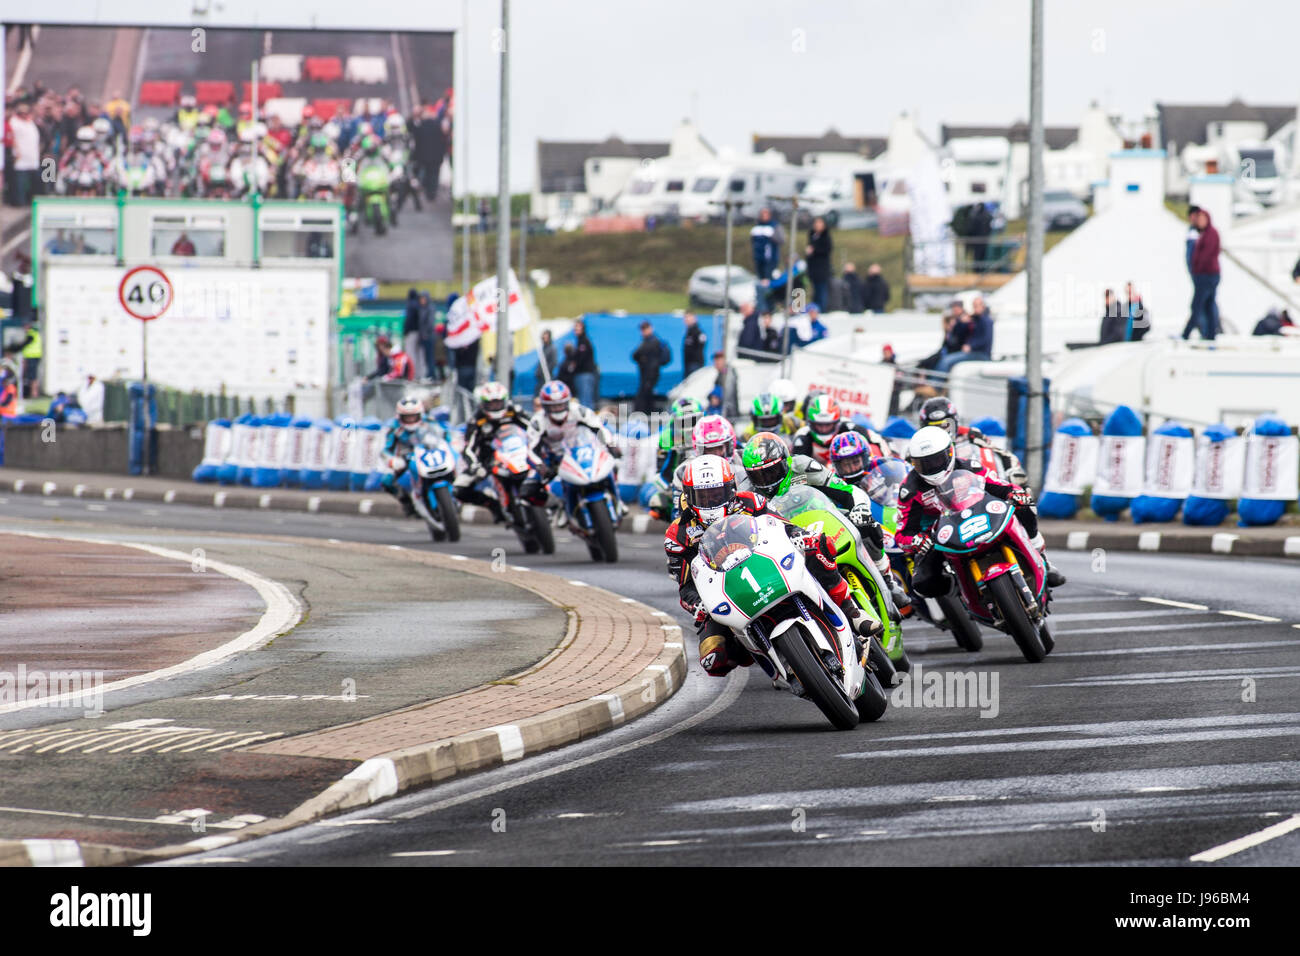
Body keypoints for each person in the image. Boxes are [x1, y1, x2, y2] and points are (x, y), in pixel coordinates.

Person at [664, 454, 874, 677]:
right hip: (726, 591)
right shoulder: (677, 535)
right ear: (688, 496)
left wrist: (802, 536)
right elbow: (686, 586)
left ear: (731, 488)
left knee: (820, 545)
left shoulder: (751, 502)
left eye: (717, 493)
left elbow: (785, 527)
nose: (712, 501)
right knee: (713, 660)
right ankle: (769, 657)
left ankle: (852, 612)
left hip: (770, 564)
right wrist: (698, 605)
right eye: (703, 497)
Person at [744, 431, 909, 611]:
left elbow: (846, 490)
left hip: (825, 520)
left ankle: (888, 580)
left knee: (867, 524)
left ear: (785, 461)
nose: (767, 480)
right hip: (789, 540)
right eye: (759, 476)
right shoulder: (748, 491)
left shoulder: (803, 466)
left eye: (772, 471)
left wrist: (859, 508)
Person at [894, 426, 1065, 600]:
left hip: (977, 513)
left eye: (937, 460)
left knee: (1025, 505)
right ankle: (958, 590)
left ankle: (1041, 557)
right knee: (922, 584)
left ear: (950, 453)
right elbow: (902, 534)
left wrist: (1015, 493)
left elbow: (1000, 486)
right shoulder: (909, 490)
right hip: (938, 535)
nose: (931, 467)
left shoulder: (969, 466)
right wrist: (917, 540)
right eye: (924, 463)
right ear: (914, 464)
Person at [522, 380, 620, 510]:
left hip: (582, 449)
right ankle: (556, 505)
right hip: (553, 459)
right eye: (553, 406)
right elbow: (530, 449)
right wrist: (540, 465)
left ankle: (618, 502)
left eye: (561, 405)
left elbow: (599, 427)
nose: (557, 409)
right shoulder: (537, 422)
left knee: (612, 465)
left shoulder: (579, 410)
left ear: (567, 402)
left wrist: (610, 444)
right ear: (545, 406)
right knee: (528, 491)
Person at [454, 381, 530, 523]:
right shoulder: (476, 420)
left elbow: (534, 428)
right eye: (491, 404)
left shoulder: (514, 411)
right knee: (459, 490)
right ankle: (494, 506)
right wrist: (475, 466)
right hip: (488, 460)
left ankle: (549, 503)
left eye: (498, 403)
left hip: (518, 452)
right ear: (483, 404)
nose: (495, 407)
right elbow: (468, 448)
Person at [917, 396, 1027, 486]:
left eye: (945, 425)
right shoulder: (918, 446)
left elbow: (1002, 453)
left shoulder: (970, 434)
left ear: (955, 421)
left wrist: (1013, 470)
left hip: (972, 484)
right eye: (934, 427)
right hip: (935, 489)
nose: (941, 430)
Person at [379, 396, 448, 516]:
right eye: (407, 417)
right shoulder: (394, 428)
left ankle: (453, 498)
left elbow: (445, 436)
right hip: (407, 457)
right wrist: (392, 460)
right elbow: (385, 450)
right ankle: (408, 503)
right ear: (400, 416)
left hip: (429, 454)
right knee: (387, 481)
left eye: (413, 416)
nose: (410, 420)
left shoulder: (430, 421)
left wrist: (450, 445)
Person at [792, 394, 888, 465]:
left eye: (828, 425)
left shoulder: (850, 428)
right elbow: (797, 469)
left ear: (837, 422)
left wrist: (883, 465)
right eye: (819, 425)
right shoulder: (802, 437)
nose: (824, 429)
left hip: (847, 475)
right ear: (811, 424)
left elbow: (878, 441)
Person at [936, 300, 992, 375]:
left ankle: (937, 385)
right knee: (944, 359)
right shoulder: (974, 319)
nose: (975, 308)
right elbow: (959, 332)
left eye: (977, 306)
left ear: (983, 306)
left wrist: (971, 346)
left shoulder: (986, 320)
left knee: (946, 360)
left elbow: (985, 339)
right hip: (974, 352)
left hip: (981, 353)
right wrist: (960, 322)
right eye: (974, 306)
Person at [1189, 208, 1221, 341]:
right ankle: (1211, 335)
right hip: (1204, 275)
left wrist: (1198, 270)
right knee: (1208, 306)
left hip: (1208, 275)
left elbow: (1206, 256)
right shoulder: (1202, 234)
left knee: (1197, 306)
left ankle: (1187, 333)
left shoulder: (1211, 234)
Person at [750, 208, 785, 311]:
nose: (764, 216)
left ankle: (770, 307)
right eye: (762, 213)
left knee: (769, 284)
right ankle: (762, 307)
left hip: (770, 261)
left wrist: (771, 238)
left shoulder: (774, 226)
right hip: (759, 260)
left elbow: (781, 240)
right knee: (760, 285)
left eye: (766, 213)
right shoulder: (756, 228)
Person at [632, 319, 669, 414]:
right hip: (646, 373)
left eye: (645, 329)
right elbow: (635, 355)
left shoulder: (652, 342)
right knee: (646, 394)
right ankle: (647, 413)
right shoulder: (646, 341)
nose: (643, 332)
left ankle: (643, 414)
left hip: (651, 373)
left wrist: (643, 359)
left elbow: (636, 354)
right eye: (642, 329)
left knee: (644, 394)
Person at [1180, 205, 1203, 339]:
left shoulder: (1204, 233)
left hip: (1204, 276)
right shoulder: (1193, 232)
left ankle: (1203, 332)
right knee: (1200, 304)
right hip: (1198, 275)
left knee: (1201, 305)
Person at [805, 216, 833, 312]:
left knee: (822, 292)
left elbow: (827, 250)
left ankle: (822, 311)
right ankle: (815, 311)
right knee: (815, 292)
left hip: (822, 271)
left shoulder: (826, 237)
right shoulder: (812, 236)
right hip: (813, 271)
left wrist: (814, 251)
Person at [571, 318, 598, 408]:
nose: (576, 330)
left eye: (578, 327)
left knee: (585, 400)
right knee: (584, 399)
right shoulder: (579, 341)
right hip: (582, 373)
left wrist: (574, 366)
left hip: (585, 373)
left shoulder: (584, 341)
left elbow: (582, 358)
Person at [710, 351, 739, 419]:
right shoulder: (720, 375)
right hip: (725, 413)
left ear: (723, 360)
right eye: (715, 361)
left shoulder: (728, 374)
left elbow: (728, 396)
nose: (716, 364)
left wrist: (725, 413)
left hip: (729, 414)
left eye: (718, 361)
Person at [19, 321, 42, 398]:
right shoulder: (33, 334)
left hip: (33, 357)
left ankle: (33, 393)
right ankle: (32, 393)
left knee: (32, 376)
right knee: (32, 376)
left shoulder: (31, 335)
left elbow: (24, 344)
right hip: (33, 356)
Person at [682, 312, 706, 378]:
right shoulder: (688, 332)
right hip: (688, 364)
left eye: (689, 318)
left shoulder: (698, 332)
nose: (687, 320)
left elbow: (701, 346)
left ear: (695, 319)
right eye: (685, 318)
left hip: (695, 364)